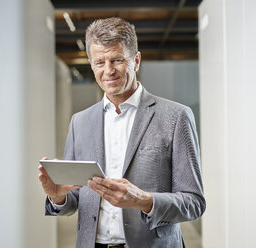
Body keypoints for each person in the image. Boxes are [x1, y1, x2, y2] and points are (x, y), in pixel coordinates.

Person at [38, 17, 205, 248]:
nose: (108, 71)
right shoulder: (80, 122)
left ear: (136, 60)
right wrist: (58, 196)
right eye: (99, 62)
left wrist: (143, 201)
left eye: (117, 60)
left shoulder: (176, 117)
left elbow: (194, 202)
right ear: (90, 63)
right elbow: (76, 199)